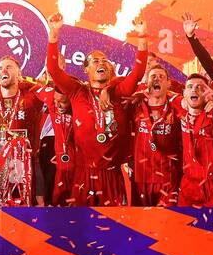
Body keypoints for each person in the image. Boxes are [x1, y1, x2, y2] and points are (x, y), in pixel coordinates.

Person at [44, 13, 148, 207]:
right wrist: (54, 33)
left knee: (116, 229)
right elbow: (53, 69)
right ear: (86, 70)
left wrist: (142, 37)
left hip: (113, 174)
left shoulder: (119, 91)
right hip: (83, 174)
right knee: (82, 228)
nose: (101, 63)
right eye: (95, 61)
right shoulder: (77, 92)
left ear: (110, 69)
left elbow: (138, 72)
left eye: (104, 61)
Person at [129, 65, 181, 206]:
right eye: (153, 77)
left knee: (166, 224)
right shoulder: (135, 105)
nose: (156, 79)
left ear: (169, 83)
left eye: (161, 77)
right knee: (140, 224)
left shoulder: (176, 108)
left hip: (168, 179)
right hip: (141, 178)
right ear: (146, 83)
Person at [178, 75, 213, 207]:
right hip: (189, 185)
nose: (194, 90)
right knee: (183, 226)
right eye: (190, 87)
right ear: (184, 93)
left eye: (200, 87)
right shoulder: (179, 110)